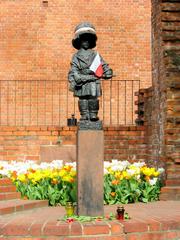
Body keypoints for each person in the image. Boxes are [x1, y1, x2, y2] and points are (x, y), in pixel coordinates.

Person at [68, 22, 113, 122]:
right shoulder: (76, 56)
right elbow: (74, 68)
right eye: (84, 40)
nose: (86, 42)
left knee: (93, 97)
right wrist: (76, 76)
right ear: (80, 41)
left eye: (88, 40)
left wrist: (108, 71)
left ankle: (93, 114)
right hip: (82, 80)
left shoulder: (95, 54)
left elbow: (103, 64)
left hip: (93, 80)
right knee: (83, 99)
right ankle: (84, 114)